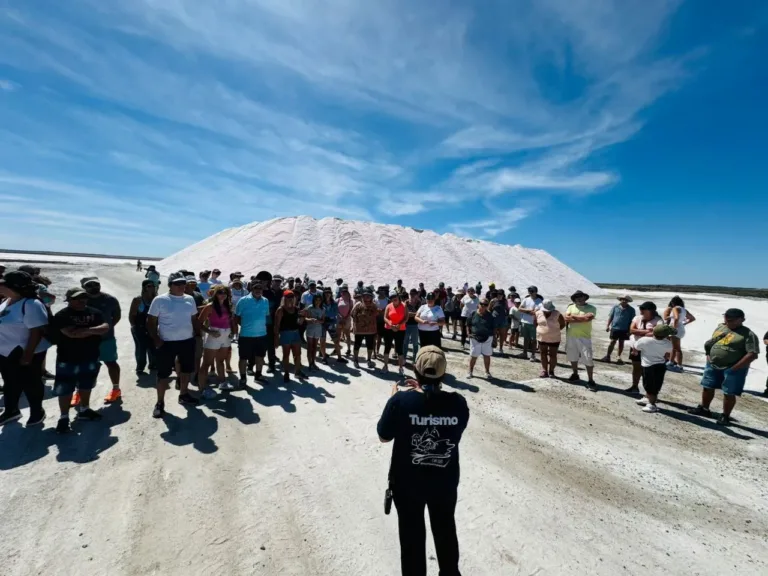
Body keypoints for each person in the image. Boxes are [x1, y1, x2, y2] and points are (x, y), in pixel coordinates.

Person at [377, 346, 469, 576]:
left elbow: (384, 436)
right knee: (445, 529)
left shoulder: (401, 401)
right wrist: (423, 395)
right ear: (443, 373)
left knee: (411, 537)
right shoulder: (458, 403)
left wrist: (397, 398)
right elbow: (447, 424)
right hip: (444, 482)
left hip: (407, 483)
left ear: (415, 372)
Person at [51, 287, 110, 433]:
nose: (81, 301)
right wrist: (92, 330)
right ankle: (64, 417)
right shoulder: (62, 315)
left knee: (86, 384)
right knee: (65, 388)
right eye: (77, 298)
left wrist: (87, 331)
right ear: (69, 300)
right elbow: (71, 334)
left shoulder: (94, 312)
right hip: (67, 357)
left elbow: (105, 327)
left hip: (90, 355)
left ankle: (84, 409)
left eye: (84, 298)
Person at [688, 308, 760, 426]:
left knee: (729, 392)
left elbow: (752, 354)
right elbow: (711, 342)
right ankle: (704, 409)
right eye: (726, 319)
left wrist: (734, 368)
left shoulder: (748, 334)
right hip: (712, 364)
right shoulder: (721, 327)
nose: (727, 322)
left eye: (731, 320)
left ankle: (725, 416)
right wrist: (708, 355)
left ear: (741, 320)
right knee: (707, 386)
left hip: (733, 369)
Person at [147, 272, 202, 417]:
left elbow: (194, 318)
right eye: (177, 284)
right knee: (163, 374)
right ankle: (160, 402)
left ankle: (184, 394)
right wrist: (156, 339)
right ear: (170, 285)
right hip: (167, 343)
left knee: (186, 370)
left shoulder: (190, 299)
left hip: (187, 341)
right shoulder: (160, 300)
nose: (181, 286)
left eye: (183, 283)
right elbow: (151, 321)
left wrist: (197, 334)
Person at [0, 271, 50, 426]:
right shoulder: (6, 301)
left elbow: (37, 331)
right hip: (6, 351)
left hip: (28, 351)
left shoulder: (31, 304)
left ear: (13, 287)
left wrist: (28, 354)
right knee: (10, 382)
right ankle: (11, 410)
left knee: (31, 382)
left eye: (4, 284)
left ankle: (37, 412)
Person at [80, 276, 122, 404]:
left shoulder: (110, 300)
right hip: (85, 340)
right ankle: (80, 392)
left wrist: (107, 328)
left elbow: (117, 315)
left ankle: (116, 389)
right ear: (83, 287)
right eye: (89, 285)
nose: (94, 287)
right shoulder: (80, 300)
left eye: (96, 284)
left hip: (106, 339)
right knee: (84, 366)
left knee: (111, 363)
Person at [198, 285, 235, 398]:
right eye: (220, 292)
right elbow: (199, 322)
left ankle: (223, 383)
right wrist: (210, 332)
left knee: (221, 361)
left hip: (225, 334)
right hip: (215, 334)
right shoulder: (210, 306)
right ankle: (202, 389)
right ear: (215, 294)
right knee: (206, 363)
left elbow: (230, 320)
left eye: (225, 292)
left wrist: (232, 331)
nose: (223, 294)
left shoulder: (228, 305)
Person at [234, 281, 270, 387]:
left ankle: (258, 376)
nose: (258, 290)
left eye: (260, 288)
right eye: (256, 288)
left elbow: (266, 316)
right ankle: (243, 378)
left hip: (262, 335)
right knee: (243, 358)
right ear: (251, 289)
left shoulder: (265, 301)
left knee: (260, 357)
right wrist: (238, 330)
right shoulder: (243, 300)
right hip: (246, 335)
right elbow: (236, 317)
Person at [634, 324, 676, 413]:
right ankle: (647, 398)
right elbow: (668, 353)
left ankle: (652, 405)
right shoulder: (668, 344)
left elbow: (636, 346)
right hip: (660, 366)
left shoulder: (644, 340)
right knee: (654, 384)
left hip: (648, 366)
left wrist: (647, 335)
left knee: (650, 386)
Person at [626, 302, 664, 395]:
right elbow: (631, 330)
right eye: (641, 309)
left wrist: (639, 332)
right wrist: (647, 331)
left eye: (643, 309)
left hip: (649, 349)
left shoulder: (658, 321)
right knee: (636, 367)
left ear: (651, 311)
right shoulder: (637, 318)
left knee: (647, 370)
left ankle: (649, 393)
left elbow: (657, 333)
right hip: (636, 346)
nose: (641, 311)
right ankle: (635, 386)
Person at [564, 290, 598, 391]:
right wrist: (582, 318)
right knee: (572, 356)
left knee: (588, 358)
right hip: (571, 336)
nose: (578, 298)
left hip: (584, 337)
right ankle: (575, 374)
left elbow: (587, 319)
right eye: (576, 297)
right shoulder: (570, 306)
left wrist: (573, 317)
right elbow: (566, 318)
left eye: (580, 296)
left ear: (584, 297)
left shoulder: (591, 308)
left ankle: (591, 380)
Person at [274, 290, 306, 382]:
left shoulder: (296, 309)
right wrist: (276, 338)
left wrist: (303, 317)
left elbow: (299, 323)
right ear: (284, 299)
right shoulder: (281, 309)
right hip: (285, 334)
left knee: (298, 354)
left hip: (295, 333)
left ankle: (297, 371)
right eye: (288, 298)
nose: (290, 299)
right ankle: (286, 373)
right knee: (286, 355)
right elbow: (277, 325)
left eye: (292, 298)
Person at [128, 280, 157, 374]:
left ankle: (153, 364)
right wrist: (133, 326)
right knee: (141, 347)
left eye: (153, 286)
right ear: (144, 288)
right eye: (149, 286)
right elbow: (131, 315)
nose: (152, 288)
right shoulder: (138, 300)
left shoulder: (156, 299)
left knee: (153, 346)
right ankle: (140, 367)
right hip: (139, 327)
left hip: (152, 327)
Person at [663, 296, 696, 373]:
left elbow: (676, 318)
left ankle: (679, 366)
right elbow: (692, 318)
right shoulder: (684, 309)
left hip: (676, 329)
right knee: (674, 347)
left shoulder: (675, 308)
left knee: (677, 348)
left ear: (673, 302)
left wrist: (674, 328)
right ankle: (671, 362)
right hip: (680, 328)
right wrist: (684, 323)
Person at [535, 299, 566, 378]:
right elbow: (535, 323)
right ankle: (544, 370)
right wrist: (541, 330)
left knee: (553, 355)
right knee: (543, 354)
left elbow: (562, 324)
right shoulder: (538, 313)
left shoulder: (557, 314)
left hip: (554, 338)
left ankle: (551, 371)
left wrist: (553, 331)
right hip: (541, 337)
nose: (547, 312)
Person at [601, 295, 636, 364]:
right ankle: (608, 356)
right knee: (612, 342)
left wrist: (630, 330)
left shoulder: (631, 309)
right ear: (620, 300)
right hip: (615, 328)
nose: (624, 301)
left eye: (626, 300)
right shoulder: (615, 307)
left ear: (628, 301)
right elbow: (611, 317)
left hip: (625, 329)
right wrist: (607, 326)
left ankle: (618, 356)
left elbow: (633, 321)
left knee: (621, 342)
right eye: (622, 299)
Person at [184, 276, 206, 384]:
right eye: (189, 284)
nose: (191, 286)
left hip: (197, 330)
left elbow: (204, 311)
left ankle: (196, 374)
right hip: (183, 331)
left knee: (198, 355)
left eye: (193, 284)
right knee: (182, 357)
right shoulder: (180, 296)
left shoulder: (198, 296)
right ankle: (181, 378)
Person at [351, 287, 378, 369]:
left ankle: (369, 360)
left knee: (370, 345)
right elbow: (352, 314)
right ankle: (355, 360)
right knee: (357, 344)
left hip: (370, 330)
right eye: (365, 296)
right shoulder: (358, 304)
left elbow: (376, 315)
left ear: (371, 297)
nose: (366, 298)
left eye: (368, 296)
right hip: (359, 330)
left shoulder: (374, 305)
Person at [467, 298, 494, 379]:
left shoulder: (490, 315)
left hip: (487, 338)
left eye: (485, 305)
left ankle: (487, 372)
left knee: (487, 355)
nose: (483, 306)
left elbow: (493, 328)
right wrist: (468, 333)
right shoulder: (473, 314)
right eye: (481, 304)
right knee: (473, 355)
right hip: (475, 338)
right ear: (478, 304)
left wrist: (494, 338)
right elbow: (468, 324)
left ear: (487, 306)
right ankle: (470, 371)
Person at [383, 291, 407, 376]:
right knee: (387, 347)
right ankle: (385, 366)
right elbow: (385, 317)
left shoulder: (404, 305)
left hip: (400, 329)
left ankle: (400, 368)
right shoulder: (388, 306)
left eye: (395, 296)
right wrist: (391, 324)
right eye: (392, 297)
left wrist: (399, 325)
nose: (394, 298)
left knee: (399, 349)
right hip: (389, 329)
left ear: (398, 296)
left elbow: (406, 317)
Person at [263, 275, 283, 373]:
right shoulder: (266, 292)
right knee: (265, 342)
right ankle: (264, 361)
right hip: (265, 321)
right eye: (275, 281)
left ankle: (272, 363)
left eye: (279, 281)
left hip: (276, 320)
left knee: (273, 342)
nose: (277, 283)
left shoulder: (281, 292)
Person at [518, 286, 543, 362]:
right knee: (526, 338)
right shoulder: (526, 299)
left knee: (533, 340)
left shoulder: (540, 301)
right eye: (529, 291)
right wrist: (529, 311)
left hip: (533, 322)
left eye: (532, 291)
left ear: (536, 292)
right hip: (525, 321)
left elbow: (538, 311)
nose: (530, 293)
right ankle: (524, 353)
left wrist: (528, 311)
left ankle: (533, 355)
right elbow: (520, 308)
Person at [321, 288, 346, 364]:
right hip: (323, 324)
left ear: (331, 294)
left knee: (336, 341)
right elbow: (333, 313)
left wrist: (326, 315)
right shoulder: (321, 303)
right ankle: (324, 357)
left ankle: (339, 357)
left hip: (330, 323)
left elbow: (335, 313)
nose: (327, 294)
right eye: (326, 293)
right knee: (322, 341)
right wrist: (329, 315)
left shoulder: (333, 303)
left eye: (328, 293)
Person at [303, 293, 325, 370]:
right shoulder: (310, 308)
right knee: (309, 347)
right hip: (310, 329)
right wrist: (311, 319)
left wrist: (319, 321)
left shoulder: (323, 309)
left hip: (318, 329)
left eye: (319, 300)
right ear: (314, 300)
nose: (318, 302)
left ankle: (313, 362)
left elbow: (323, 320)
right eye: (316, 300)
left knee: (315, 347)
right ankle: (310, 364)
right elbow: (305, 318)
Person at [403, 289, 421, 363]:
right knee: (405, 342)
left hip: (415, 325)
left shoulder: (419, 303)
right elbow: (405, 313)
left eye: (414, 294)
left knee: (415, 343)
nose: (412, 295)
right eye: (411, 294)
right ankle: (404, 358)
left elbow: (420, 314)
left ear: (417, 294)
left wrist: (411, 314)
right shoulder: (406, 302)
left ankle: (414, 358)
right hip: (406, 324)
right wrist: (414, 314)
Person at [336, 284, 353, 357]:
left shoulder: (350, 300)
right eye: (342, 292)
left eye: (345, 292)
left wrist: (345, 317)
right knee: (338, 335)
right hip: (339, 319)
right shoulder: (338, 300)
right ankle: (337, 347)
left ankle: (349, 349)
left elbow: (351, 310)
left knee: (347, 334)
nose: (343, 293)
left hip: (347, 319)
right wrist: (340, 316)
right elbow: (336, 309)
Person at [490, 290, 508, 356]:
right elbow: (489, 309)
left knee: (502, 334)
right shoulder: (493, 300)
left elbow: (506, 309)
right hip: (494, 318)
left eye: (501, 294)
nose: (500, 295)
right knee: (493, 334)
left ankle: (501, 348)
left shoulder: (505, 301)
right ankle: (491, 347)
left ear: (503, 295)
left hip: (502, 319)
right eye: (498, 294)